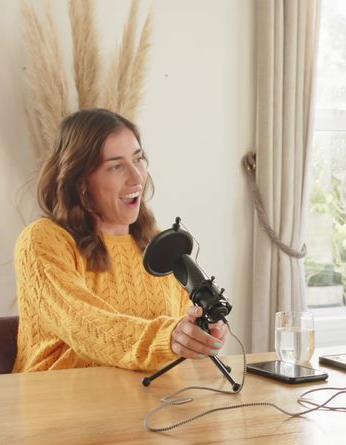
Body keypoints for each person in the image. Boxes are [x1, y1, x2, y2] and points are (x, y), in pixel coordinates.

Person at [13, 108, 226, 373]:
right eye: (116, 166)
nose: (137, 178)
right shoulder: (43, 240)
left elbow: (181, 325)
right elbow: (83, 324)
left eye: (138, 159)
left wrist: (200, 333)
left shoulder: (158, 244)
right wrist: (167, 338)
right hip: (56, 401)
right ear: (81, 181)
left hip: (148, 399)